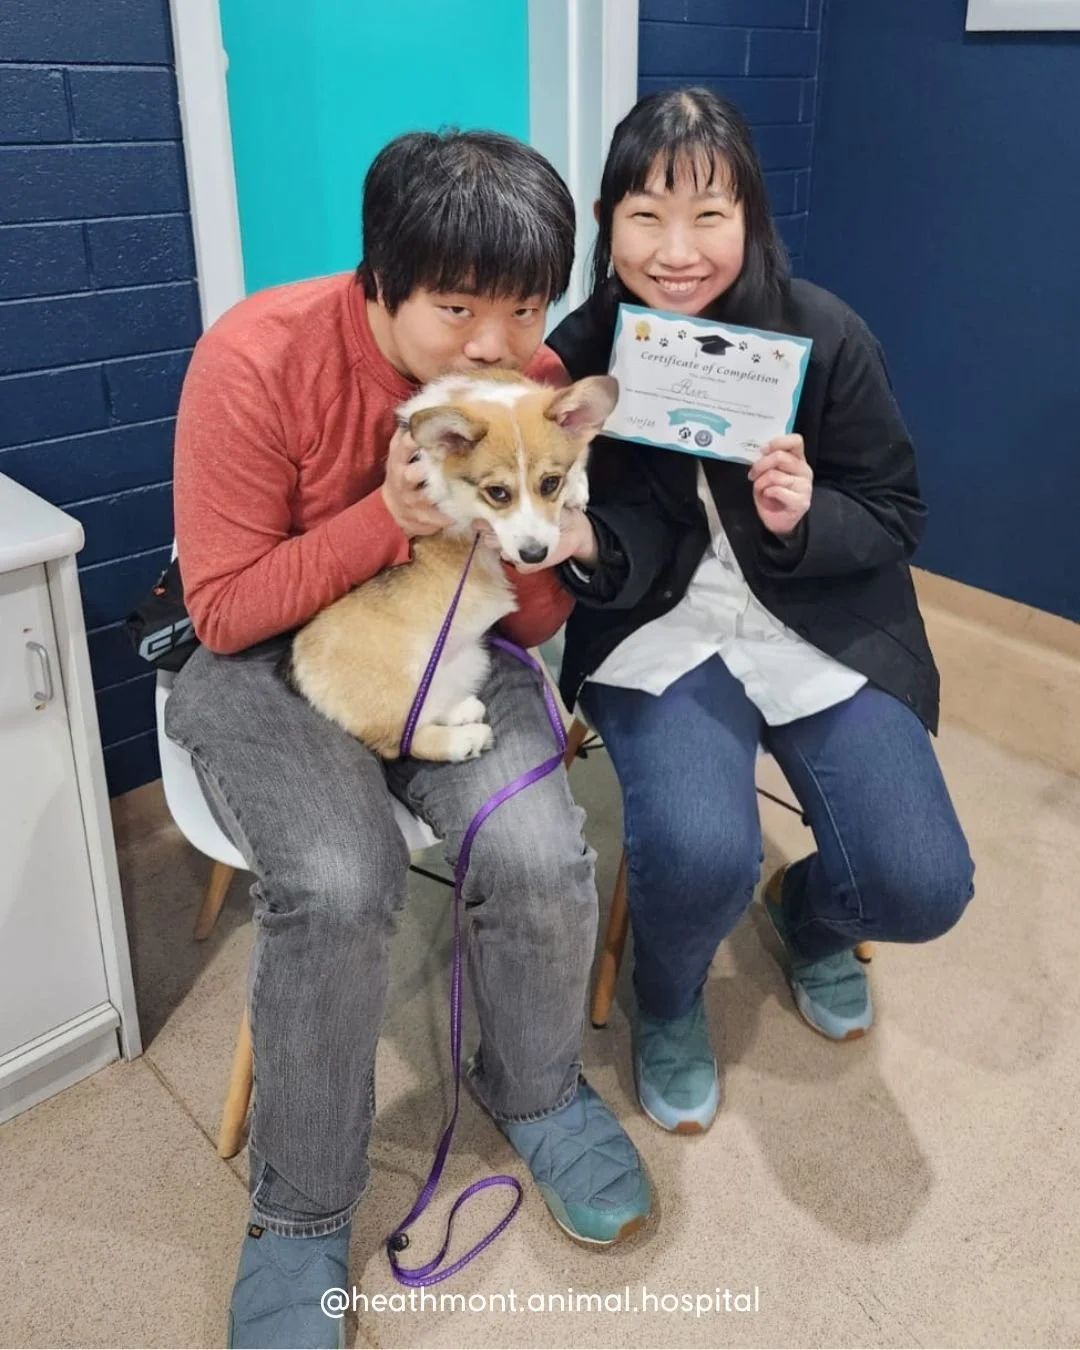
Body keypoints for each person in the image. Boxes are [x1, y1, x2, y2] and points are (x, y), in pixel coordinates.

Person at [166, 129, 649, 1350]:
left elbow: (528, 615)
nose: (498, 342)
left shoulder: (528, 388)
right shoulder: (257, 359)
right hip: (267, 656)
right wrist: (386, 518)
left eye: (529, 304)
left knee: (539, 846)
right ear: (377, 280)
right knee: (338, 880)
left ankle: (532, 1084)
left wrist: (529, 539)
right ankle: (300, 1211)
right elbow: (221, 611)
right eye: (456, 306)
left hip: (445, 638)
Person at [544, 88, 976, 1135]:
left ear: (751, 219)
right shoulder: (582, 348)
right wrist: (591, 539)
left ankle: (812, 920)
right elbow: (605, 526)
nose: (678, 249)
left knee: (922, 885)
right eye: (647, 216)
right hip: (663, 629)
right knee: (700, 851)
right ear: (610, 223)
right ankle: (667, 1000)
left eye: (710, 215)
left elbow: (896, 511)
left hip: (817, 624)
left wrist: (800, 515)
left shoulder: (824, 335)